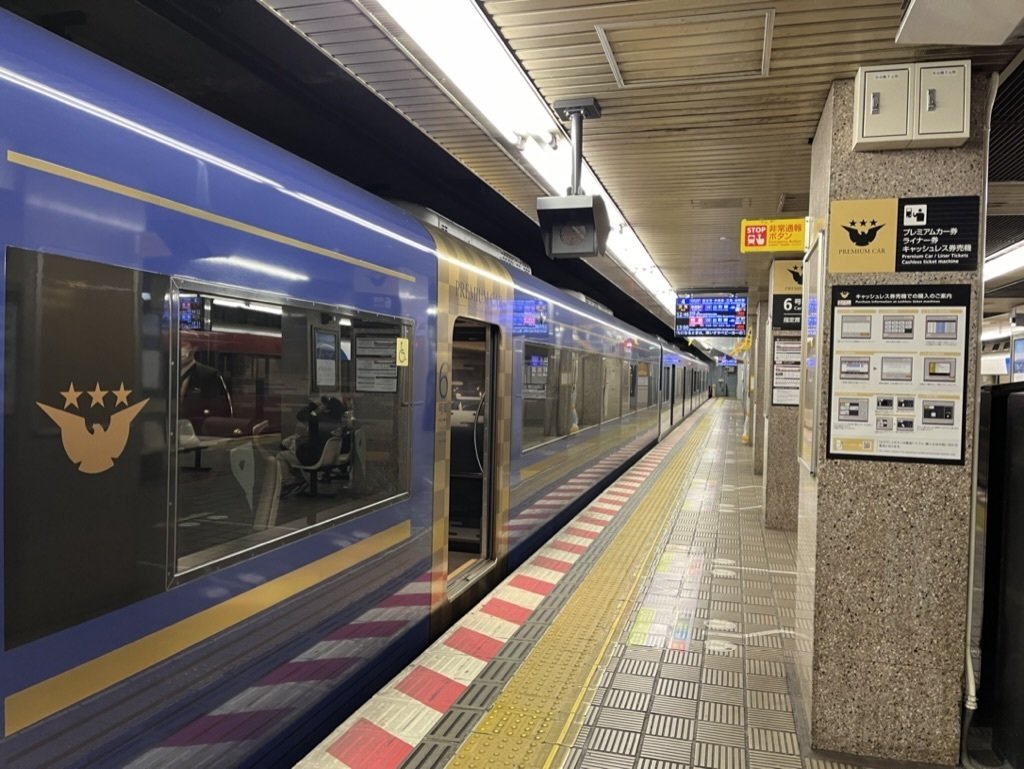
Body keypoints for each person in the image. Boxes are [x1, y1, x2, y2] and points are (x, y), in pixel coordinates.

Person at [279, 396, 348, 493]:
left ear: (327, 409)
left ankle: (290, 482)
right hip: (327, 458)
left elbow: (301, 415)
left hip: (313, 457)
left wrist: (314, 405)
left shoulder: (317, 419)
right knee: (290, 444)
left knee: (281, 456)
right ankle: (299, 481)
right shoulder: (338, 423)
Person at [180, 340, 232, 427]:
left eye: (183, 344)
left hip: (199, 431)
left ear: (194, 348)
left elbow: (223, 410)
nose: (179, 348)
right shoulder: (165, 374)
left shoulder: (209, 375)